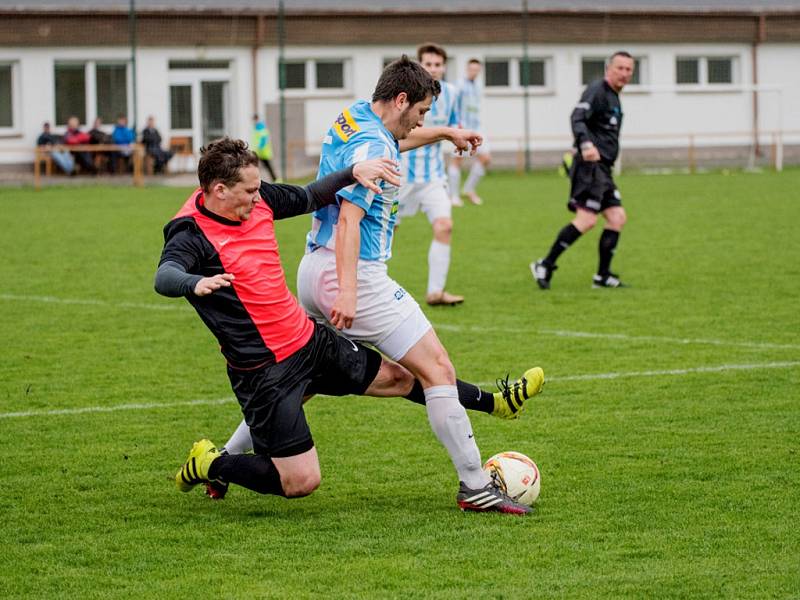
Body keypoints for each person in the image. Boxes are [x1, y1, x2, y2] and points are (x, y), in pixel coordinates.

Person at [156, 137, 536, 515]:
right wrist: (194, 282)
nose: (259, 198)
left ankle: (492, 404)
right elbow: (166, 274)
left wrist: (353, 172)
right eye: (250, 191)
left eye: (259, 188)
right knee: (301, 481)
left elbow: (310, 196)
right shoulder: (190, 233)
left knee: (402, 378)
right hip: (265, 373)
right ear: (219, 190)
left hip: (311, 342)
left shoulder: (260, 200)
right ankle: (211, 463)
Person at [297, 56, 544, 514]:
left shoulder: (354, 116)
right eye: (424, 112)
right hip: (354, 274)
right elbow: (351, 221)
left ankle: (222, 458)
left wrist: (447, 133)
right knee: (438, 370)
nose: (422, 121)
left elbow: (396, 138)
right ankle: (474, 484)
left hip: (312, 267)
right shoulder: (378, 148)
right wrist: (349, 291)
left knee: (301, 381)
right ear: (402, 99)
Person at [531, 51, 634, 289]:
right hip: (590, 168)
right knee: (587, 220)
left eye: (629, 69)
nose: (625, 73)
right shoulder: (597, 90)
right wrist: (586, 144)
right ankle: (544, 264)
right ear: (609, 68)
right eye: (620, 68)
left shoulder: (614, 97)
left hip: (604, 170)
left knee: (617, 218)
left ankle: (602, 276)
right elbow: (577, 117)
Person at [397, 43, 463, 306]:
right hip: (400, 175)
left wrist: (460, 141)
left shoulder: (453, 93)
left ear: (444, 67)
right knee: (383, 231)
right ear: (419, 65)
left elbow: (454, 124)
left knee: (445, 226)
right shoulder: (406, 94)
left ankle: (435, 292)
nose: (433, 69)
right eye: (428, 64)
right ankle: (360, 284)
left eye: (438, 64)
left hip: (433, 175)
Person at [449, 58, 491, 207]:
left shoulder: (478, 86)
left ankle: (468, 189)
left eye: (477, 69)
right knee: (457, 160)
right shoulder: (459, 85)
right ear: (467, 69)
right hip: (462, 127)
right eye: (471, 69)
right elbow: (453, 105)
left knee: (485, 157)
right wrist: (457, 127)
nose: (474, 72)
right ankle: (453, 196)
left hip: (476, 127)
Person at [251, 113, 277, 182]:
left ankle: (276, 180)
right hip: (259, 152)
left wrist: (259, 147)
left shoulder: (260, 126)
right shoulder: (257, 127)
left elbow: (263, 138)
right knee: (256, 166)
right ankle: (274, 179)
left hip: (262, 151)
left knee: (267, 167)